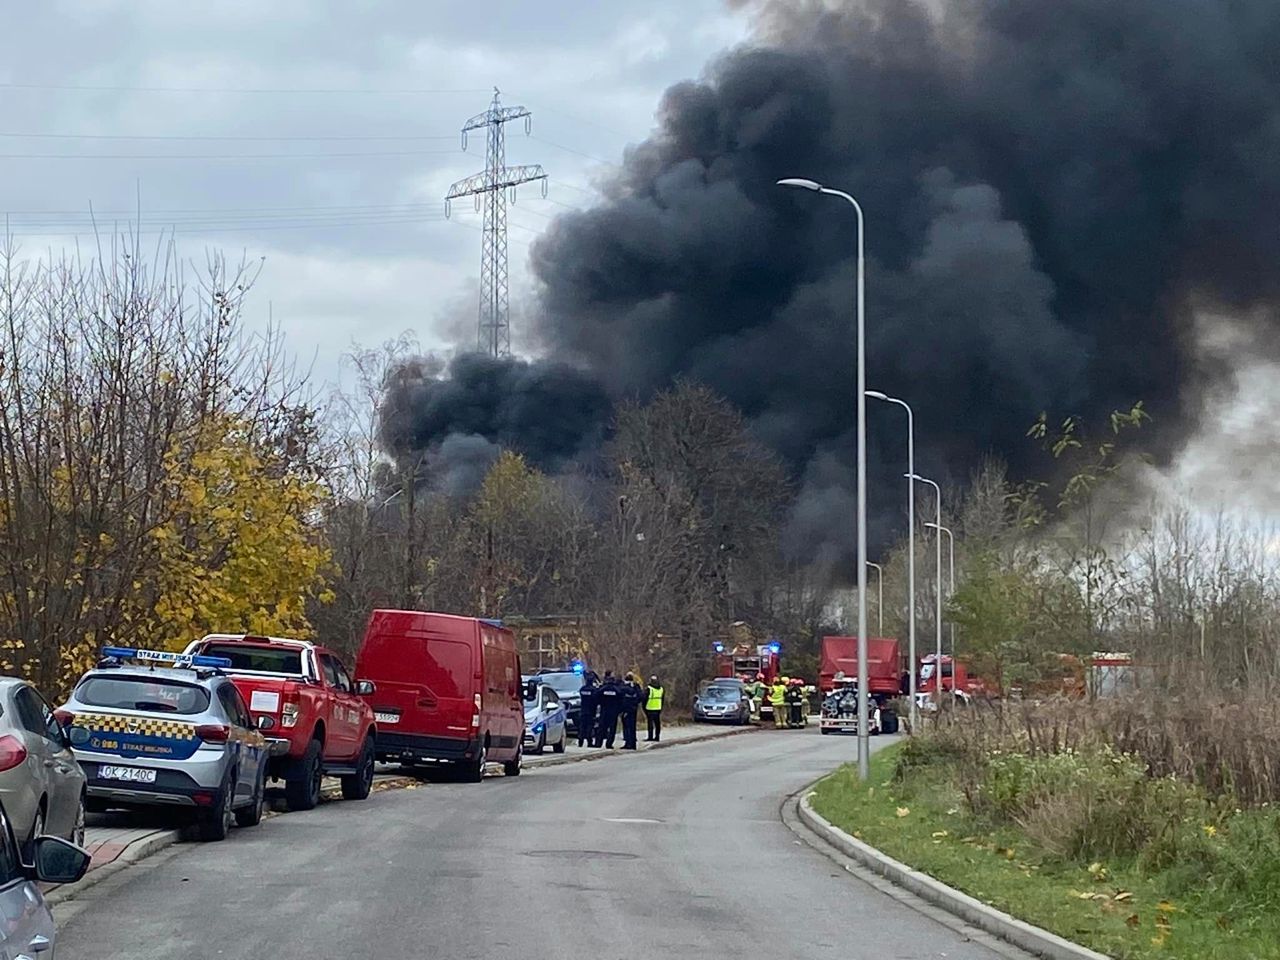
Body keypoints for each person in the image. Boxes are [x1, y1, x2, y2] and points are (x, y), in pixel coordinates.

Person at [595, 671, 622, 748]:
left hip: (604, 711)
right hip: (613, 712)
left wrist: (601, 704)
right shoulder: (617, 690)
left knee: (601, 728)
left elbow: (596, 697)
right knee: (612, 729)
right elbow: (621, 700)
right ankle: (609, 744)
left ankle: (598, 743)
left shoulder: (602, 689)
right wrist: (619, 710)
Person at [620, 673, 643, 749]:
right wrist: (635, 703)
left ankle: (628, 743)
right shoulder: (636, 686)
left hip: (626, 709)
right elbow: (641, 696)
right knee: (632, 726)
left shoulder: (623, 687)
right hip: (633, 708)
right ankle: (632, 744)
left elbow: (620, 697)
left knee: (626, 726)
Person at [577, 671, 600, 748]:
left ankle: (580, 741)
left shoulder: (582, 689)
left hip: (583, 710)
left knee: (582, 727)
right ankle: (589, 742)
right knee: (589, 727)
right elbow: (596, 700)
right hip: (591, 711)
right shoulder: (594, 690)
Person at [644, 675, 664, 742]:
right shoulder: (661, 689)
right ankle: (657, 737)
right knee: (657, 724)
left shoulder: (649, 688)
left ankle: (650, 737)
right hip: (658, 708)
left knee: (650, 724)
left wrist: (644, 708)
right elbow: (662, 699)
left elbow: (645, 699)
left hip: (650, 708)